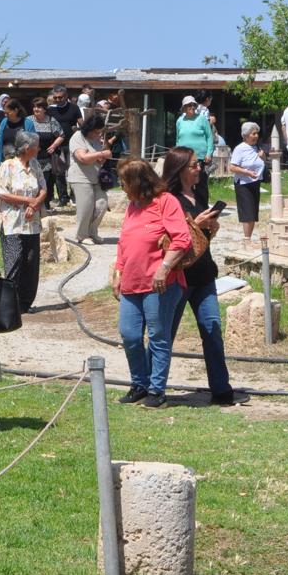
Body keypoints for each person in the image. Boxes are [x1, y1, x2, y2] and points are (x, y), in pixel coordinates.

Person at [112, 158, 191, 409]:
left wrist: (163, 268)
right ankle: (139, 384)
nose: (122, 187)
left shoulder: (166, 202)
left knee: (158, 336)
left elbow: (182, 239)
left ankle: (156, 390)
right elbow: (124, 242)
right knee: (129, 334)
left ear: (138, 182)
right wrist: (118, 271)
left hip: (160, 284)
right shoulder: (132, 206)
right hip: (131, 282)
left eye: (124, 182)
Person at [162, 147, 237, 406]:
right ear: (180, 168)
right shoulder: (168, 199)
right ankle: (152, 386)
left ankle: (221, 388)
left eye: (198, 165)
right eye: (194, 165)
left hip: (204, 273)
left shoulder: (199, 193)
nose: (198, 169)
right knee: (165, 334)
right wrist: (195, 224)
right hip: (178, 276)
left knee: (212, 329)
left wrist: (209, 228)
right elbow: (170, 238)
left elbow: (199, 239)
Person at [0, 129, 48, 313]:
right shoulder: (7, 166)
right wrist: (28, 201)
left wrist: (35, 204)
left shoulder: (35, 164)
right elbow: (1, 192)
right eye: (36, 146)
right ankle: (9, 304)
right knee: (14, 261)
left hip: (32, 223)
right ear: (27, 148)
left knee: (31, 263)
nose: (39, 149)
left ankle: (25, 303)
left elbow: (43, 188)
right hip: (13, 223)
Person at [68, 106, 112, 244]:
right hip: (80, 177)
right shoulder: (77, 137)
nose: (99, 134)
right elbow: (82, 158)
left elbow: (98, 159)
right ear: (91, 129)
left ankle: (92, 232)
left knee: (102, 203)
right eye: (97, 131)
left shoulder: (97, 140)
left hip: (95, 177)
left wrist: (102, 156)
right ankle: (82, 235)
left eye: (100, 131)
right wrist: (101, 154)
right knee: (85, 208)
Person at [174, 95, 216, 210]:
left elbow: (209, 137)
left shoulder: (201, 119)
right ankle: (187, 208)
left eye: (194, 105)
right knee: (184, 183)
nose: (192, 107)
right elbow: (177, 139)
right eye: (189, 105)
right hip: (184, 159)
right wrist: (177, 155)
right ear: (184, 107)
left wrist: (209, 153)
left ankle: (203, 209)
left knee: (200, 184)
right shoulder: (179, 121)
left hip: (200, 157)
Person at [229, 121, 266, 241]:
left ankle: (248, 237)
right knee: (247, 212)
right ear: (245, 135)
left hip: (255, 182)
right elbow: (232, 167)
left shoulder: (256, 147)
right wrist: (247, 172)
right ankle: (247, 239)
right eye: (253, 134)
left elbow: (262, 162)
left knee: (253, 212)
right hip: (243, 183)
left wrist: (263, 156)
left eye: (257, 133)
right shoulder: (240, 149)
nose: (256, 136)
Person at [31, 98, 67, 209]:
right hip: (31, 157)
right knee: (32, 182)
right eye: (34, 107)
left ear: (44, 109)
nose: (36, 109)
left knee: (45, 183)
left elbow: (61, 135)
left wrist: (54, 146)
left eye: (39, 107)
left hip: (46, 158)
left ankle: (44, 206)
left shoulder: (51, 121)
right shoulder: (28, 120)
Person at [0, 98, 33, 169]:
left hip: (23, 164)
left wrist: (29, 164)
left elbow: (33, 145)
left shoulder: (28, 123)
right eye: (5, 113)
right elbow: (0, 143)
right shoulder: (4, 122)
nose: (5, 115)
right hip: (6, 164)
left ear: (16, 110)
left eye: (8, 113)